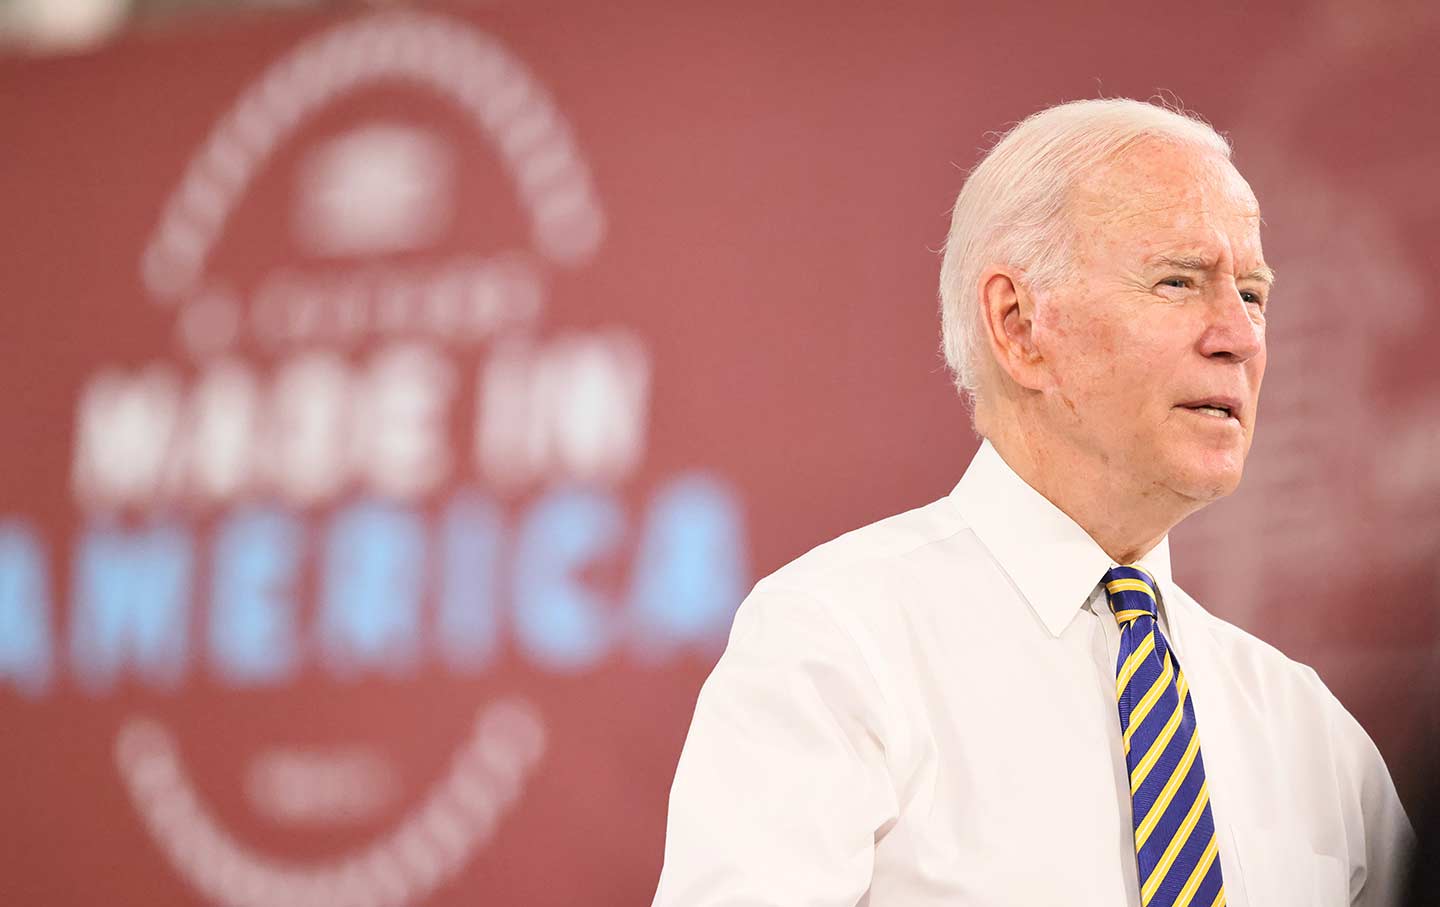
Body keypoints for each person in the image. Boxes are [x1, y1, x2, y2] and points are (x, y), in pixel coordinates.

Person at [651, 98, 1413, 907]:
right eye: (1178, 281)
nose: (1240, 334)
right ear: (1018, 326)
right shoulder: (837, 649)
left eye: (1253, 294)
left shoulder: (1312, 739)